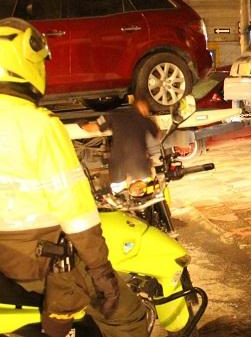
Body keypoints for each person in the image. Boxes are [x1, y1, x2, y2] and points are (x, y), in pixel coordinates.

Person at [0, 17, 148, 337]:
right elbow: (75, 211)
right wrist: (101, 270)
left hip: (4, 257)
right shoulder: (38, 124)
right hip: (37, 260)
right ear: (27, 62)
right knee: (128, 315)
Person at [83, 97, 161, 193]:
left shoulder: (115, 116)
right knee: (127, 191)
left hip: (120, 166)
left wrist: (81, 124)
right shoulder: (146, 121)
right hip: (138, 168)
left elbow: (92, 128)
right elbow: (158, 135)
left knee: (121, 191)